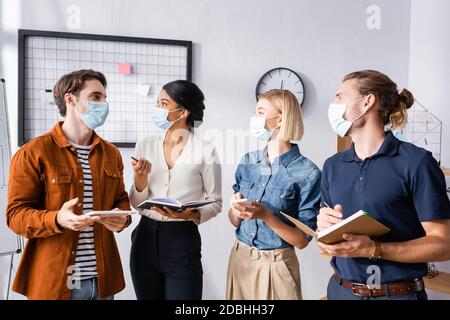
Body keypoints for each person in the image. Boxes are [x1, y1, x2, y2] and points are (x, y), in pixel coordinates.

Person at [318, 70, 450, 300]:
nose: (333, 104)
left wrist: (374, 249)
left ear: (367, 102)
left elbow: (443, 244)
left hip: (397, 295)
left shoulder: (417, 162)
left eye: (340, 97)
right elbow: (327, 241)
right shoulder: (333, 165)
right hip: (340, 291)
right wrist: (323, 227)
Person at [6, 69, 132, 300]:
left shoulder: (112, 154)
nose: (104, 103)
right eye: (96, 97)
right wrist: (57, 219)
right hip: (55, 282)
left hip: (103, 281)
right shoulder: (34, 152)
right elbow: (16, 216)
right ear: (70, 99)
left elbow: (121, 201)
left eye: (105, 97)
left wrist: (120, 218)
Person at [129, 80, 222, 300]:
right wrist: (140, 179)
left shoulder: (205, 150)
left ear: (183, 112)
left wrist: (190, 214)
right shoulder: (145, 144)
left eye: (164, 103)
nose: (157, 109)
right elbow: (135, 201)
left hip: (182, 240)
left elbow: (216, 201)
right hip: (145, 237)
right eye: (157, 103)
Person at [226, 89, 321, 300]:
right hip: (240, 259)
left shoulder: (308, 173)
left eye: (260, 112)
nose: (254, 118)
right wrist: (236, 210)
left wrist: (266, 216)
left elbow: (302, 240)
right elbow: (234, 221)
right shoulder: (248, 162)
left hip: (277, 267)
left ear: (279, 120)